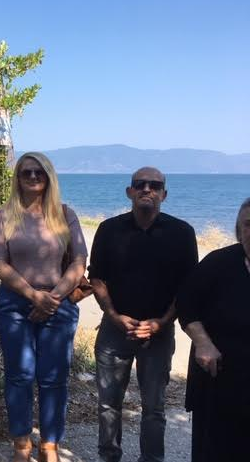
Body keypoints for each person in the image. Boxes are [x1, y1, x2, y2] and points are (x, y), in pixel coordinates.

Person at [89, 167, 198, 462]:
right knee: (108, 404)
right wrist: (113, 315)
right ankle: (108, 457)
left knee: (154, 408)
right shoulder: (109, 230)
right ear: (130, 192)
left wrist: (162, 322)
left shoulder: (182, 233)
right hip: (114, 330)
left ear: (164, 194)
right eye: (140, 184)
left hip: (158, 334)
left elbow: (188, 287)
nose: (147, 189)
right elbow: (96, 278)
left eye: (154, 185)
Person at [0, 152, 87, 462]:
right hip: (15, 303)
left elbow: (79, 261)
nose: (33, 177)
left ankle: (49, 445)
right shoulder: (4, 216)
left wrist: (53, 297)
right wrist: (33, 296)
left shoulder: (65, 214)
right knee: (19, 375)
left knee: (54, 377)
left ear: (49, 177)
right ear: (18, 178)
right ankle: (21, 444)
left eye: (39, 172)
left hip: (59, 302)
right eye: (26, 172)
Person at [176, 198, 250, 462]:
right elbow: (186, 304)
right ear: (239, 230)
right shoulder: (218, 263)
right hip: (218, 381)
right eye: (248, 224)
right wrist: (202, 342)